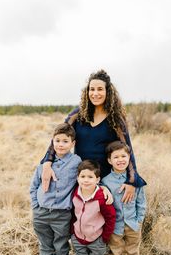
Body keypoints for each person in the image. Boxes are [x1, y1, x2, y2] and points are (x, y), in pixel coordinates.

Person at [41, 69, 146, 203]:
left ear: (108, 92)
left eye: (100, 89)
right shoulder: (77, 115)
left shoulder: (116, 119)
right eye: (92, 89)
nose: (95, 93)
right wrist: (47, 163)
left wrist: (132, 181)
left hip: (106, 179)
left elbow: (127, 148)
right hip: (81, 176)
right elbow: (59, 138)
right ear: (87, 92)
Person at [30, 123, 81, 255]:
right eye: (57, 141)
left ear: (72, 143)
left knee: (61, 247)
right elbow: (34, 186)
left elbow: (82, 182)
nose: (60, 144)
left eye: (65, 141)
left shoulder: (76, 163)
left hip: (62, 215)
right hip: (42, 213)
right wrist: (36, 206)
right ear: (52, 142)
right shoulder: (44, 163)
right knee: (45, 247)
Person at [101, 141, 146, 255]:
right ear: (109, 160)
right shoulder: (106, 181)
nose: (120, 160)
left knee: (133, 252)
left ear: (129, 158)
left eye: (124, 156)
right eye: (116, 157)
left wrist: (139, 219)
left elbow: (141, 202)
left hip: (133, 224)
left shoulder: (135, 179)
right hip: (115, 226)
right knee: (116, 253)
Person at [68, 160, 116, 255]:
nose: (86, 180)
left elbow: (111, 217)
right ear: (77, 178)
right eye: (83, 177)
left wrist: (105, 237)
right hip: (78, 237)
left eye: (90, 177)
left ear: (97, 180)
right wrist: (72, 232)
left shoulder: (101, 198)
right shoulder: (75, 194)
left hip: (97, 239)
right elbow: (72, 214)